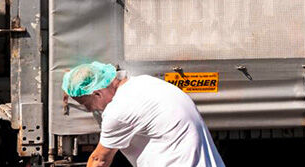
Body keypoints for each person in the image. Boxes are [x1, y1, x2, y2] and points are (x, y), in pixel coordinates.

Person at [62, 61, 225, 167]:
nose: (92, 110)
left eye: (88, 105)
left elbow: (99, 160)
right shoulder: (146, 83)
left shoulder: (118, 109)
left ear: (97, 93)